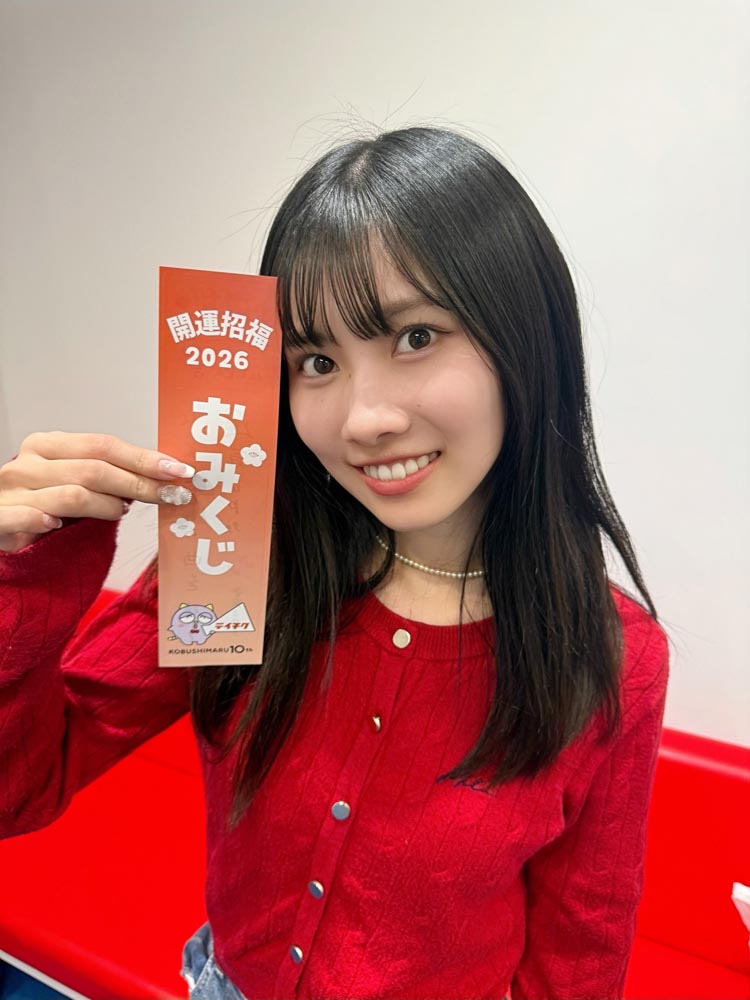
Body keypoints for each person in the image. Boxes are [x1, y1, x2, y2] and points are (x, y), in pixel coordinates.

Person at [0, 126, 669, 1000]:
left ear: (525, 340)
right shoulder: (238, 565)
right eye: (316, 361)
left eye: (415, 336)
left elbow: (581, 954)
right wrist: (27, 577)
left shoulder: (611, 656)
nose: (362, 420)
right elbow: (19, 791)